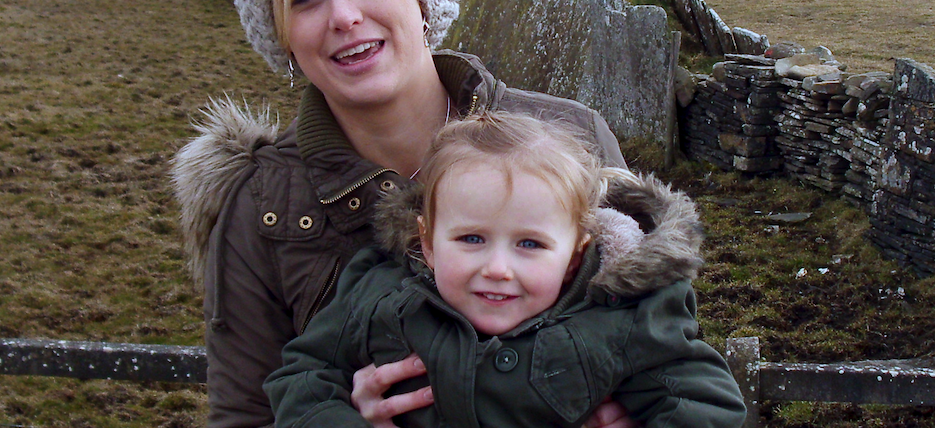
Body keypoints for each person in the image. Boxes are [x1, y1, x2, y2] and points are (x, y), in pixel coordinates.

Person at [170, 0, 636, 428]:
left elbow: (661, 352)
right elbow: (245, 415)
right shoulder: (259, 205)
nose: (343, 16)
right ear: (283, 38)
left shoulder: (575, 138)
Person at [266, 112, 747, 427]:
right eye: (471, 239)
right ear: (428, 243)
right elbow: (304, 376)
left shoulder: (623, 317)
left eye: (530, 244)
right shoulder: (379, 294)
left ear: (575, 253)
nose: (497, 268)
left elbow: (705, 407)